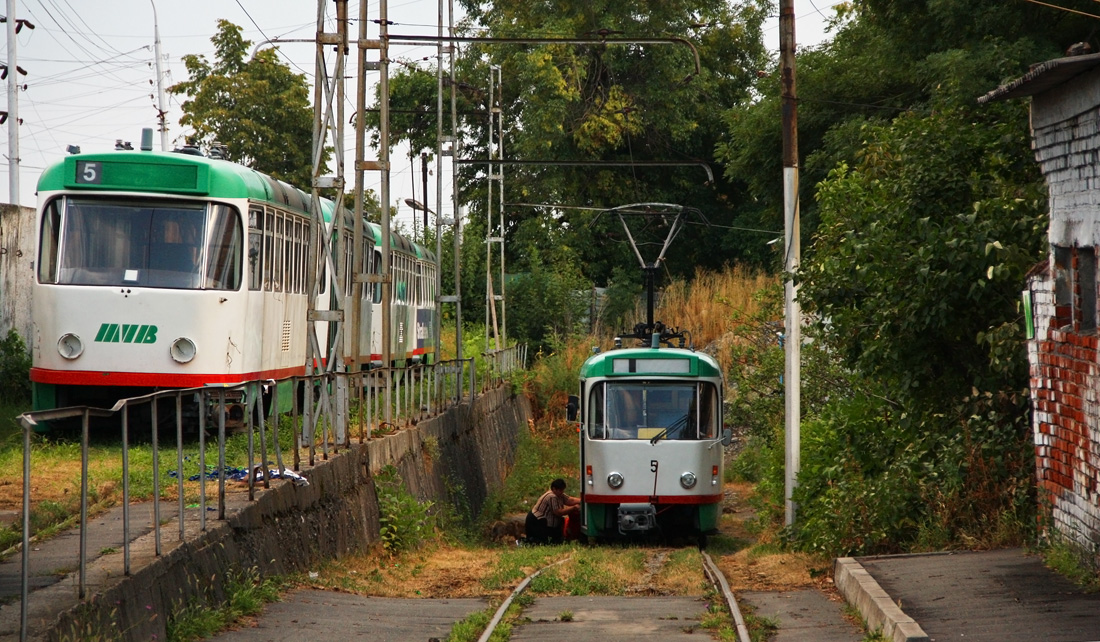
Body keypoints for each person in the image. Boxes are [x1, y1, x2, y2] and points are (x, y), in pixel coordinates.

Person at [524, 478, 580, 544]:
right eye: (560, 490)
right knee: (539, 541)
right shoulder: (551, 496)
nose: (561, 492)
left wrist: (582, 500)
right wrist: (573, 508)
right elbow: (558, 512)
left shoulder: (560, 495)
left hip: (547, 522)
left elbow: (570, 500)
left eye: (562, 490)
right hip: (537, 521)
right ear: (554, 489)